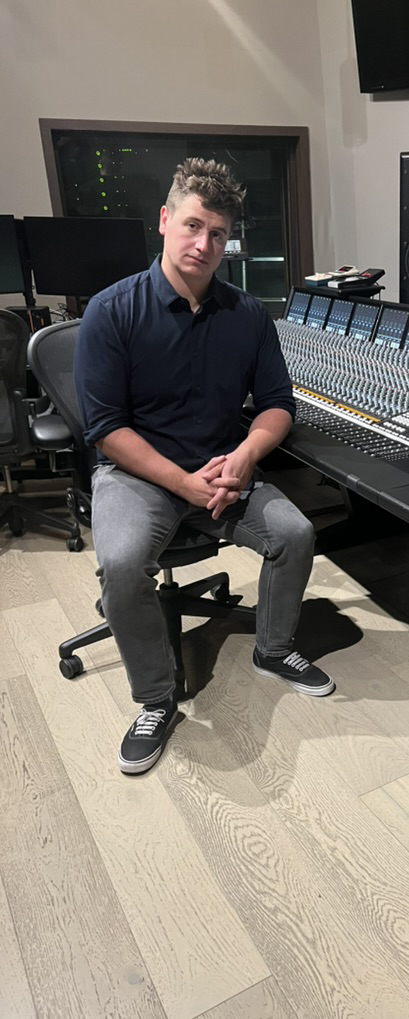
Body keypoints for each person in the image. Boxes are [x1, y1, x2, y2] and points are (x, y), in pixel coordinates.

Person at [75, 157, 334, 776]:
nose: (203, 243)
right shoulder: (112, 312)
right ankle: (156, 699)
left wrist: (244, 458)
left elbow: (277, 407)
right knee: (121, 562)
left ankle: (273, 650)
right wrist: (183, 482)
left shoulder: (246, 315)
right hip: (138, 476)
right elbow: (106, 429)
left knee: (296, 534)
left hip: (223, 471)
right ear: (164, 221)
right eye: (193, 226)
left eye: (217, 233)